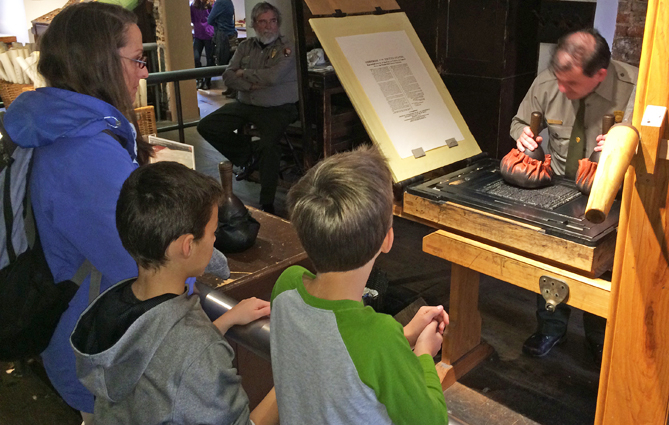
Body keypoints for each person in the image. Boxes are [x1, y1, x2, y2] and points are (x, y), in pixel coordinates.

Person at [4, 3, 155, 421]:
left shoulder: (55, 122)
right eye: (137, 59)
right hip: (97, 358)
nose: (144, 72)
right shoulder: (85, 151)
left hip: (73, 332)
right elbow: (146, 265)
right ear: (101, 62)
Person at [71, 161, 277, 425]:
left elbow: (161, 353)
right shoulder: (200, 351)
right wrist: (292, 379)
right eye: (213, 232)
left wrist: (225, 320)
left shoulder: (111, 305)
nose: (215, 240)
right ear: (187, 246)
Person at [270, 145, 450, 425]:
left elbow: (337, 355)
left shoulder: (286, 286)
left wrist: (405, 335)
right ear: (387, 239)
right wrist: (423, 354)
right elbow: (431, 420)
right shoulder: (380, 337)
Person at [509, 28, 637, 361]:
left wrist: (623, 147)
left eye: (573, 85)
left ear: (600, 75)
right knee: (551, 257)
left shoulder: (635, 89)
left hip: (611, 196)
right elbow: (520, 120)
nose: (562, 91)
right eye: (559, 81)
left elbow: (649, 147)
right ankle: (550, 328)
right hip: (560, 189)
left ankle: (600, 337)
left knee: (605, 267)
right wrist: (522, 136)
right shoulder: (549, 82)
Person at [197, 2, 298, 215]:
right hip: (247, 103)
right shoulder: (246, 46)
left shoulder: (286, 48)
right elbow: (228, 76)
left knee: (269, 146)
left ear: (278, 23)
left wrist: (244, 73)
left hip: (277, 107)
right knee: (207, 126)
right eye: (263, 21)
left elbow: (272, 77)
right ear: (254, 24)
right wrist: (250, 84)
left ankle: (267, 202)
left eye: (272, 21)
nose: (269, 26)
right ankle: (248, 156)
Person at [191, 0, 215, 90]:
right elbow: (192, 19)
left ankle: (207, 81)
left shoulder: (211, 5)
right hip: (198, 35)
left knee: (210, 59)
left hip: (209, 35)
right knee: (195, 57)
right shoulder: (193, 6)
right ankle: (199, 79)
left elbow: (214, 18)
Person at [207, 0, 237, 68]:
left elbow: (209, 20)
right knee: (231, 64)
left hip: (222, 35)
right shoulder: (229, 2)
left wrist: (216, 24)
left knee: (221, 64)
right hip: (231, 34)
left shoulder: (219, 2)